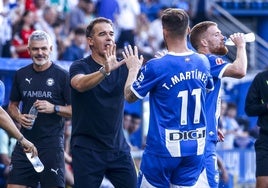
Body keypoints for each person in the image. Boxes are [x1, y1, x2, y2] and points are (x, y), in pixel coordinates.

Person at [123, 8, 214, 187]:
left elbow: (130, 96)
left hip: (163, 149)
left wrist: (133, 68)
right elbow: (207, 90)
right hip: (195, 147)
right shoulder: (203, 62)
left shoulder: (157, 66)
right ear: (188, 30)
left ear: (164, 31)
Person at [69, 17, 137, 188]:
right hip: (87, 150)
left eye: (111, 34)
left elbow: (133, 95)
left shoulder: (123, 66)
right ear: (90, 41)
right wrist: (105, 70)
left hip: (118, 149)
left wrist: (135, 69)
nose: (108, 37)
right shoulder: (79, 65)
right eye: (102, 34)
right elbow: (79, 84)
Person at [7, 30, 72, 188]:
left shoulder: (63, 76)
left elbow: (75, 111)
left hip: (51, 146)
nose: (40, 52)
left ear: (50, 49)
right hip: (25, 144)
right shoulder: (21, 74)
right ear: (28, 50)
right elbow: (12, 106)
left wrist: (54, 108)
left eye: (44, 48)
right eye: (35, 49)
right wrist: (18, 117)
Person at [189, 21, 247, 187]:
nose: (223, 37)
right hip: (203, 141)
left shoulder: (192, 62)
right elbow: (240, 70)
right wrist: (241, 46)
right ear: (204, 42)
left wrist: (212, 125)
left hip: (192, 136)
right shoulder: (209, 60)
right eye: (216, 34)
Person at [244, 69, 268, 188]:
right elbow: (249, 109)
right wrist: (266, 107)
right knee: (262, 183)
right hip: (265, 139)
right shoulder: (261, 78)